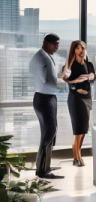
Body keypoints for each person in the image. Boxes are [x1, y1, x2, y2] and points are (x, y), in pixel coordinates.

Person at [30, 34, 64, 179]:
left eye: (58, 44)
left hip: (48, 97)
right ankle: (42, 171)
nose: (57, 46)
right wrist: (68, 81)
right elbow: (48, 81)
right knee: (48, 134)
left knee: (51, 132)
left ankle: (46, 165)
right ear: (45, 43)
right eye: (54, 44)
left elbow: (49, 79)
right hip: (44, 99)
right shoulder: (42, 58)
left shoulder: (44, 56)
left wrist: (60, 76)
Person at [60, 40, 96, 167]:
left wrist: (91, 76)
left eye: (84, 47)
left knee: (83, 130)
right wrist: (76, 84)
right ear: (74, 50)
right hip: (76, 99)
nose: (82, 50)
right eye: (79, 48)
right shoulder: (71, 65)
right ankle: (77, 158)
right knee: (78, 129)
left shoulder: (88, 62)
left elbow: (94, 76)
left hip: (87, 98)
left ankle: (76, 152)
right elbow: (64, 80)